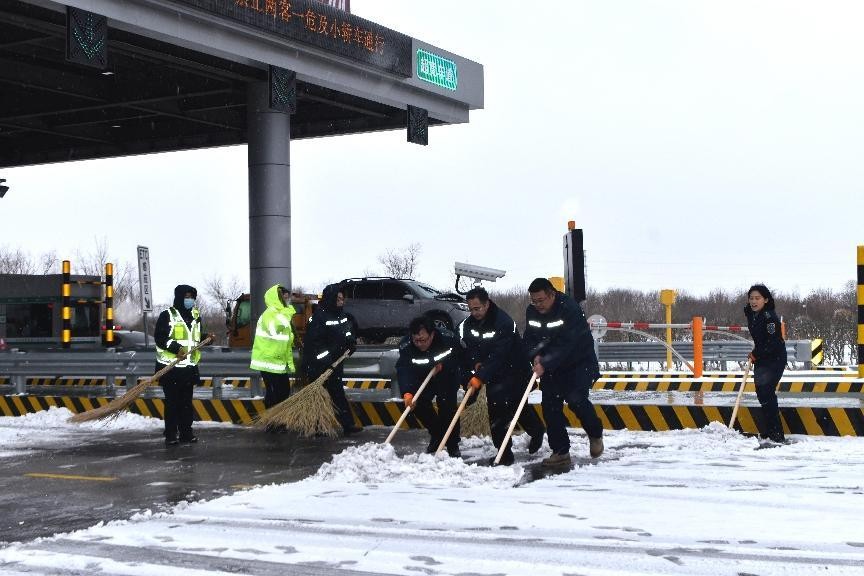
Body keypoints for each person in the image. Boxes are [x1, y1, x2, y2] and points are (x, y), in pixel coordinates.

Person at [459, 287, 546, 466]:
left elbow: (499, 354)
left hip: (515, 371)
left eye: (478, 308)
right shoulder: (468, 324)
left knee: (519, 409)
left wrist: (480, 376)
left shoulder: (503, 322)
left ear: (487, 304)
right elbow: (469, 348)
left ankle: (537, 431)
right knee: (496, 415)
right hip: (494, 375)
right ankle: (505, 453)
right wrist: (476, 362)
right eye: (471, 309)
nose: (474, 313)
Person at [523, 277, 604, 467]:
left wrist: (546, 362)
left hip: (578, 363)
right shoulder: (532, 312)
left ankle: (595, 433)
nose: (538, 305)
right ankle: (560, 452)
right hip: (551, 366)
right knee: (550, 407)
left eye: (541, 300)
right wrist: (534, 355)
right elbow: (529, 337)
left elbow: (568, 343)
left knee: (576, 401)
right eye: (534, 301)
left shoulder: (569, 309)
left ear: (552, 294)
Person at [154, 285, 214, 447]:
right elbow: (160, 337)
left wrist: (206, 338)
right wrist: (175, 348)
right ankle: (171, 434)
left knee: (186, 403)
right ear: (180, 297)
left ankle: (186, 433)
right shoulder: (168, 315)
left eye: (192, 297)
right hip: (171, 369)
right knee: (172, 403)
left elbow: (193, 339)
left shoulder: (195, 316)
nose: (190, 300)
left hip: (188, 368)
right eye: (187, 297)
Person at [397, 315, 463, 457]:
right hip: (423, 375)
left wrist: (445, 365)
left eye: (423, 340)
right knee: (418, 403)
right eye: (416, 340)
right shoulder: (406, 345)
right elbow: (404, 369)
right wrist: (407, 392)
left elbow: (460, 357)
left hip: (447, 374)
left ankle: (452, 444)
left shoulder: (448, 339)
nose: (419, 344)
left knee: (447, 406)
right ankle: (437, 435)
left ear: (432, 334)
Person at [302, 283, 362, 436]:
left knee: (337, 394)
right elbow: (315, 345)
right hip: (319, 366)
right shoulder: (318, 317)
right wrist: (326, 361)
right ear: (332, 298)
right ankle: (316, 427)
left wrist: (351, 343)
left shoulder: (341, 315)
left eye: (343, 298)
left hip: (336, 363)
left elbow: (346, 332)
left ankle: (347, 424)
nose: (342, 301)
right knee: (318, 397)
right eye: (339, 298)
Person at [744, 284, 787, 443]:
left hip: (774, 358)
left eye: (757, 298)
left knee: (767, 393)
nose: (753, 301)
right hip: (762, 357)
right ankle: (770, 431)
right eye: (751, 298)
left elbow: (773, 342)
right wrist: (757, 353)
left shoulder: (770, 318)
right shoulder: (752, 314)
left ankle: (777, 435)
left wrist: (755, 353)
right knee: (762, 393)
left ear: (766, 300)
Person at [249, 284, 296, 414]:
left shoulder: (280, 314)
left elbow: (284, 339)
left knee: (281, 391)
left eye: (287, 298)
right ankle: (273, 420)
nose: (287, 300)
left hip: (276, 360)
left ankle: (274, 419)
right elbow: (274, 329)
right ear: (276, 298)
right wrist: (287, 313)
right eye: (284, 297)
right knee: (277, 391)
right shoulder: (270, 313)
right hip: (269, 360)